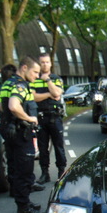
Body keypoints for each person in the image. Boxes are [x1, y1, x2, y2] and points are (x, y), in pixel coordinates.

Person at [0, 56, 44, 213]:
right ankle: (24, 209)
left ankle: (24, 203)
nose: (37, 76)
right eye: (35, 72)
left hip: (9, 131)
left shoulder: (7, 83)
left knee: (15, 168)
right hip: (20, 132)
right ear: (24, 68)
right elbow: (13, 106)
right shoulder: (20, 85)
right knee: (24, 171)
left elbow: (2, 107)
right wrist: (29, 119)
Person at [31, 53, 67, 184]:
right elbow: (34, 97)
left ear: (51, 63)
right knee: (42, 147)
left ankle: (61, 172)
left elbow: (57, 94)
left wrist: (48, 81)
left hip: (55, 116)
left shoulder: (56, 78)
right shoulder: (34, 79)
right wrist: (49, 94)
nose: (45, 64)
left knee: (58, 146)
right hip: (41, 117)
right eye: (42, 62)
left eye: (47, 62)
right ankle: (44, 173)